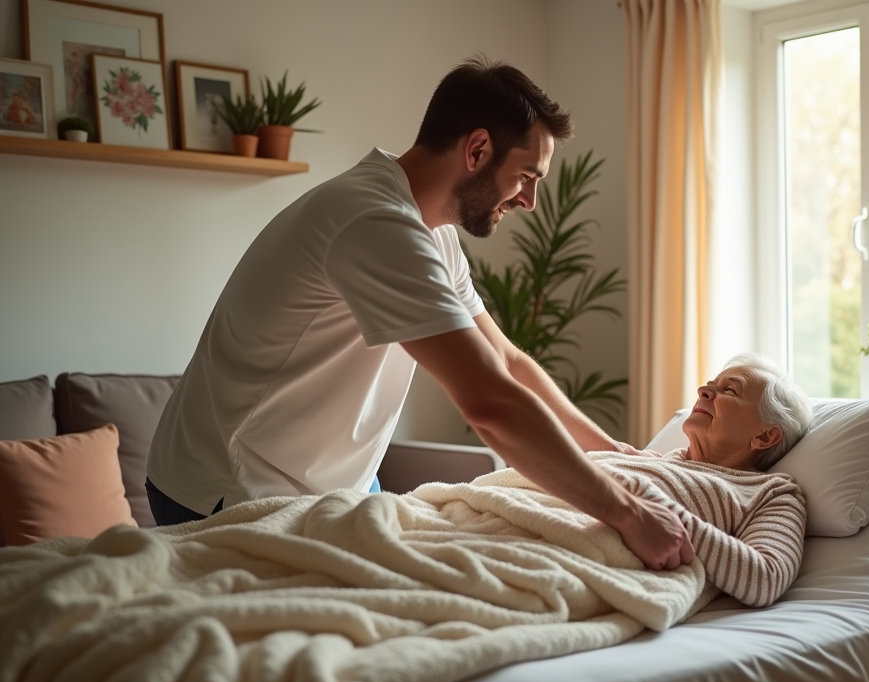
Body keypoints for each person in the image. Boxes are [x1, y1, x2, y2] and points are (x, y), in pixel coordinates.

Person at [146, 55, 692, 572]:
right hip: (226, 490)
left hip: (334, 486)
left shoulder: (433, 233)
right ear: (477, 149)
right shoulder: (374, 224)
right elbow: (490, 404)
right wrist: (628, 514)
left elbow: (505, 362)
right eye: (527, 176)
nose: (528, 201)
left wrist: (613, 452)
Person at [588, 353, 813, 606]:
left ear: (764, 436)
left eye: (730, 390)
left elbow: (766, 578)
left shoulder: (769, 494)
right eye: (710, 384)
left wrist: (651, 509)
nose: (703, 390)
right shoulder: (650, 459)